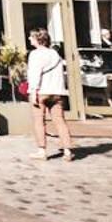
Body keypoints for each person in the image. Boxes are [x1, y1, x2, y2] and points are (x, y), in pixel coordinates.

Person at [25, 27, 75, 161]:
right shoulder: (55, 54)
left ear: (37, 39)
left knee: (39, 121)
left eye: (31, 37)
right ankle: (67, 150)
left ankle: (42, 151)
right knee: (60, 121)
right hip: (57, 91)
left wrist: (33, 91)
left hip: (41, 91)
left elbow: (34, 74)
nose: (29, 39)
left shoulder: (35, 54)